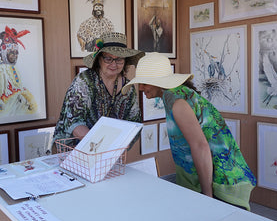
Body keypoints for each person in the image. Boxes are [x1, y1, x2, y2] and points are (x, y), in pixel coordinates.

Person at [122, 52, 256, 210]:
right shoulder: (175, 95)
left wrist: (207, 196)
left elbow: (200, 146)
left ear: (159, 82)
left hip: (222, 183)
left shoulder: (178, 103)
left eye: (145, 83)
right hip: (215, 179)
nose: (141, 88)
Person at [54, 32, 144, 142]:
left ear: (125, 61)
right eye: (108, 58)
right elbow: (74, 122)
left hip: (108, 152)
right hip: (72, 150)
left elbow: (134, 122)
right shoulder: (85, 81)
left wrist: (119, 145)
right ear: (99, 59)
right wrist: (101, 144)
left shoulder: (128, 87)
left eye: (119, 59)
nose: (114, 64)